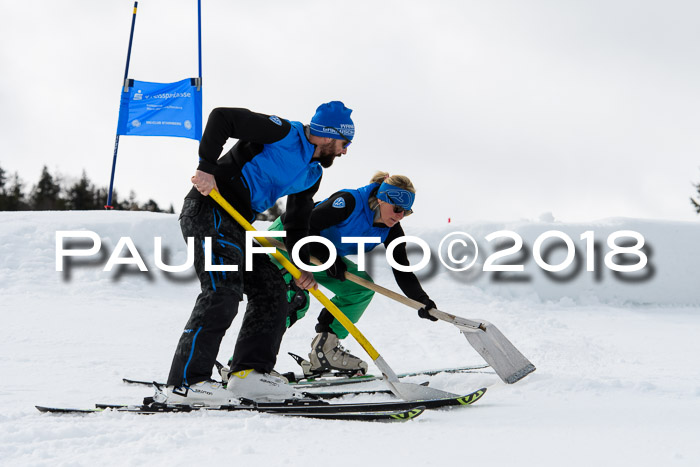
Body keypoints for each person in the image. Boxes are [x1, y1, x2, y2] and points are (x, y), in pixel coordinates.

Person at [157, 101, 355, 405]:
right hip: (210, 208)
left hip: (239, 224)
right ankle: (185, 382)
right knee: (222, 289)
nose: (344, 151)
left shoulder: (313, 173)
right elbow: (222, 117)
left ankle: (249, 375)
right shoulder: (283, 133)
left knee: (273, 288)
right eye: (344, 143)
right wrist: (206, 167)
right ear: (328, 135)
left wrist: (301, 266)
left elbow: (296, 225)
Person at [268, 171, 438, 377]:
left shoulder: (391, 228)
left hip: (320, 254)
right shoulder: (348, 202)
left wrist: (422, 300)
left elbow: (401, 267)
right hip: (285, 242)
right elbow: (305, 225)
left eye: (406, 212)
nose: (400, 216)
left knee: (359, 289)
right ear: (382, 199)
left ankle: (325, 351)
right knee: (293, 300)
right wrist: (329, 256)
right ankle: (249, 365)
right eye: (397, 209)